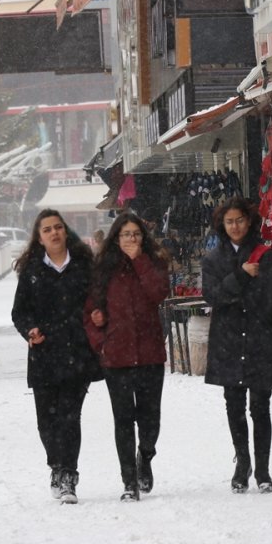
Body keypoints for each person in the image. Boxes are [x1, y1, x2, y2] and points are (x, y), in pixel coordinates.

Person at [201, 197, 272, 494]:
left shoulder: (267, 256)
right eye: (229, 222)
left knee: (260, 407)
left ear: (249, 221)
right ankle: (242, 464)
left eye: (239, 220)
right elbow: (212, 296)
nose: (235, 226)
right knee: (234, 406)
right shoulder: (213, 259)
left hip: (260, 341)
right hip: (228, 341)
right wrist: (241, 274)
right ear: (221, 225)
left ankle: (264, 471)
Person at [11, 209, 102, 505]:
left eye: (58, 227)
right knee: (46, 422)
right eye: (47, 229)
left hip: (77, 352)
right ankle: (56, 465)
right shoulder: (33, 271)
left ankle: (68, 475)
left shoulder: (84, 266)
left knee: (69, 416)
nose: (54, 233)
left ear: (66, 231)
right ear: (39, 237)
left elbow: (97, 302)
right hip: (45, 354)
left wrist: (98, 319)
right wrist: (30, 330)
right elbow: (19, 311)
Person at [84, 212, 171, 502]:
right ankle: (128, 481)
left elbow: (158, 292)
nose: (131, 239)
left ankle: (145, 457)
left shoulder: (153, 263)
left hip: (149, 354)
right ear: (115, 238)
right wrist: (101, 342)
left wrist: (139, 260)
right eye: (125, 235)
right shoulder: (103, 269)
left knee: (150, 419)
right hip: (117, 356)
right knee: (123, 420)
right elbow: (89, 311)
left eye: (136, 234)